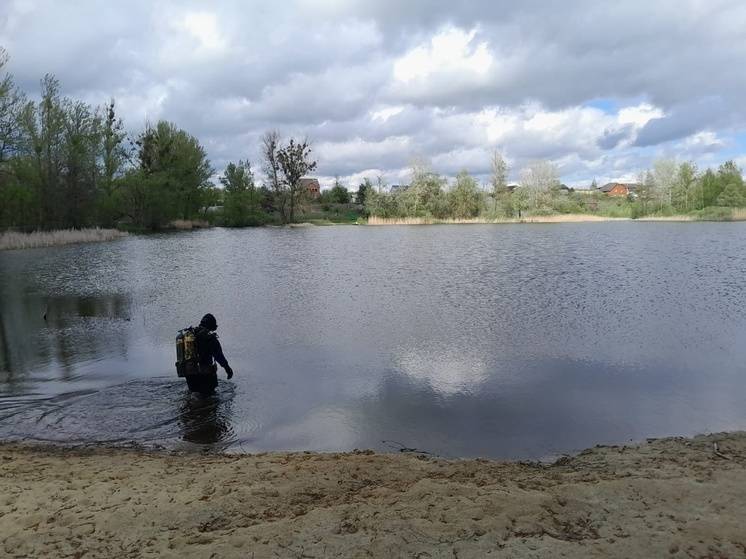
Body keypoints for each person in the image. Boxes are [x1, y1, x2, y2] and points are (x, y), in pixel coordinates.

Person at [185, 313, 234, 395]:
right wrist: (227, 369)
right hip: (205, 374)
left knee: (194, 395)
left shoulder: (191, 334)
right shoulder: (209, 337)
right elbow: (219, 356)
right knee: (209, 396)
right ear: (211, 325)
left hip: (189, 373)